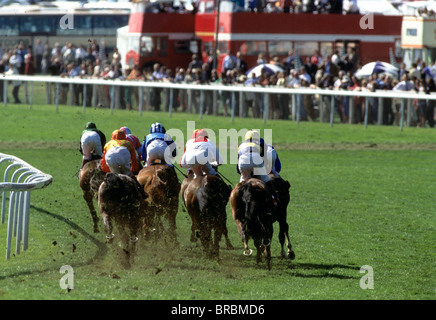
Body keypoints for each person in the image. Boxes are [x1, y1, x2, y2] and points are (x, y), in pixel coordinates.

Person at [237, 130, 279, 206]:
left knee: (241, 183)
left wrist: (243, 174)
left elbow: (237, 165)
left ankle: (238, 201)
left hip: (243, 162)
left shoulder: (241, 146)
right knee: (266, 179)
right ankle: (274, 198)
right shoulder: (260, 144)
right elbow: (263, 158)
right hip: (256, 160)